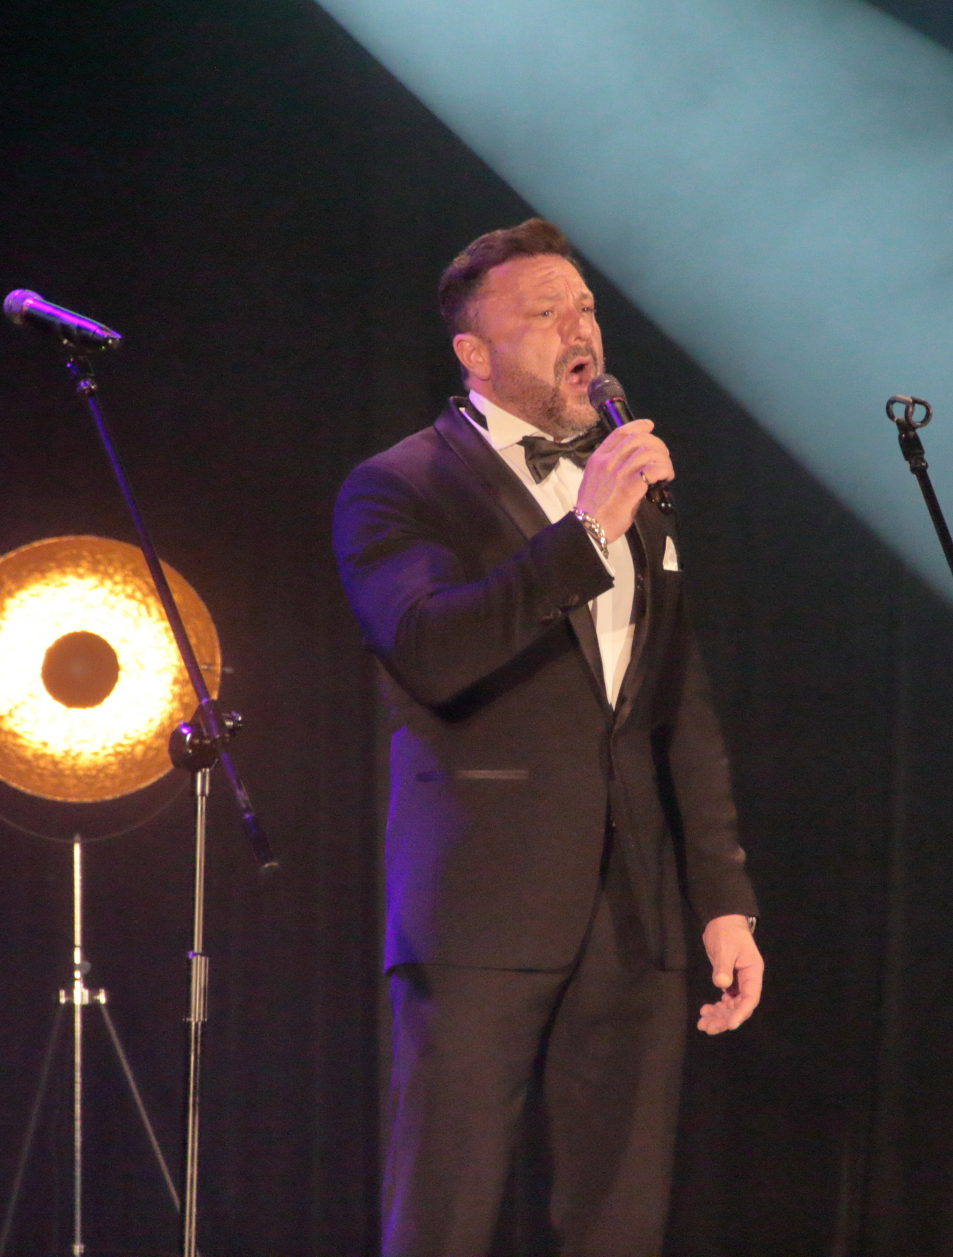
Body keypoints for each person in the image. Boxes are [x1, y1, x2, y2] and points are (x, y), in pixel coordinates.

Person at [333, 217, 763, 1256]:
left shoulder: (628, 490)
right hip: (484, 906)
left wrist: (723, 897)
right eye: (543, 313)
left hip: (636, 910)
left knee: (619, 1220)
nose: (580, 330)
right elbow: (432, 650)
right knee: (445, 1215)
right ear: (474, 354)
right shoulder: (400, 485)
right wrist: (588, 532)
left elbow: (678, 703)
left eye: (586, 307)